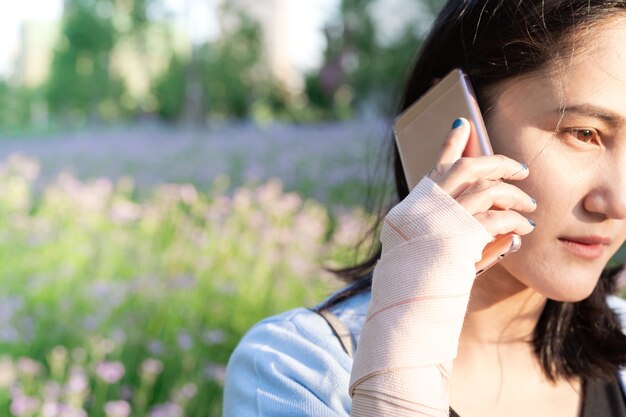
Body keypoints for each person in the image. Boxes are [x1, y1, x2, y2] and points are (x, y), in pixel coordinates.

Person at [223, 0, 626, 416]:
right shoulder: (296, 368)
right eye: (584, 133)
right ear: (453, 112)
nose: (619, 202)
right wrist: (400, 366)